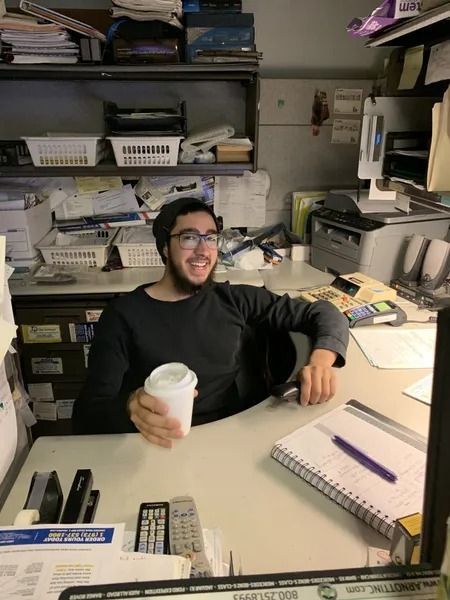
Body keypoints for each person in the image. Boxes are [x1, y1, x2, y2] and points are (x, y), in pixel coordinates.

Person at [73, 197, 349, 447]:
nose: (203, 250)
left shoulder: (233, 299)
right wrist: (129, 407)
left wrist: (321, 363)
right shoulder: (123, 315)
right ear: (165, 248)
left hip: (235, 438)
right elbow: (87, 414)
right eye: (189, 238)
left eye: (211, 238)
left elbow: (324, 313)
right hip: (162, 443)